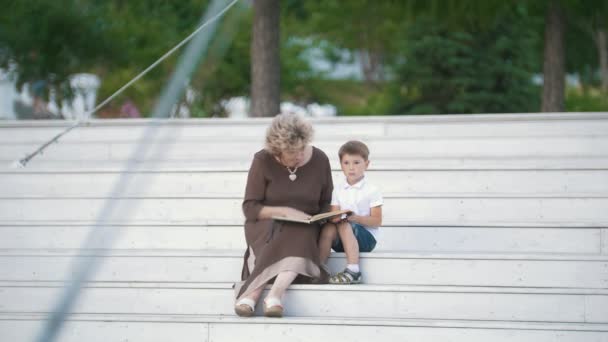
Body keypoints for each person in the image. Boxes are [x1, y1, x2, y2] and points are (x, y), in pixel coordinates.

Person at [234, 113, 333, 317]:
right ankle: (260, 295)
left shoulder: (321, 159)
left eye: (302, 149)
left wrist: (321, 217)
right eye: (292, 152)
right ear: (277, 151)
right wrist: (283, 211)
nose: (299, 156)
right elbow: (250, 208)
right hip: (266, 225)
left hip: (306, 226)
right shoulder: (262, 160)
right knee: (288, 229)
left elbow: (325, 202)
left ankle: (271, 294)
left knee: (302, 231)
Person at [319, 140, 383, 284]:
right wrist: (331, 218)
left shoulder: (372, 190)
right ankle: (319, 269)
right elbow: (334, 215)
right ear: (341, 165)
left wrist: (355, 218)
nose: (351, 168)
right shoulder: (339, 189)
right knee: (329, 227)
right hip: (344, 238)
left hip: (366, 240)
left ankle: (353, 270)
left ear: (366, 164)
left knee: (344, 224)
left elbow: (377, 221)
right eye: (346, 163)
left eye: (356, 162)